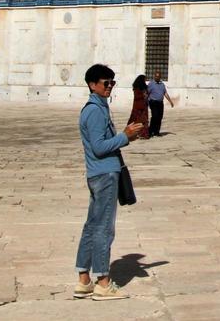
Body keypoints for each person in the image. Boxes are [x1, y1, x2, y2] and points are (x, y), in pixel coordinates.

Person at [75, 63, 146, 300]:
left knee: (91, 226)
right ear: (92, 85)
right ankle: (103, 282)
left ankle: (83, 279)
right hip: (104, 174)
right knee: (104, 228)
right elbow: (99, 147)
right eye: (106, 83)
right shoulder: (95, 111)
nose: (109, 87)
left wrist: (125, 136)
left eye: (112, 83)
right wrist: (124, 137)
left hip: (99, 173)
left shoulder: (96, 108)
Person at [146, 73, 177, 137]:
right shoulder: (151, 84)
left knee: (160, 117)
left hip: (160, 103)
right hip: (153, 102)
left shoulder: (162, 84)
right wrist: (146, 102)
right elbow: (147, 93)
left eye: (158, 76)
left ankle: (156, 132)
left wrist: (170, 101)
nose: (157, 77)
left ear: (160, 77)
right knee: (154, 116)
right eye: (156, 76)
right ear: (154, 76)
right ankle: (150, 132)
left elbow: (165, 93)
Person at [126, 76, 150, 140]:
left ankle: (143, 134)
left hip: (144, 106)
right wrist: (143, 95)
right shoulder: (136, 88)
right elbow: (137, 96)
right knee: (136, 120)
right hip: (138, 106)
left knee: (144, 121)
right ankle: (134, 133)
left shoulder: (145, 87)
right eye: (144, 80)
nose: (145, 81)